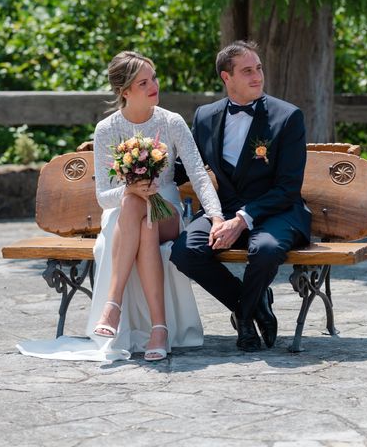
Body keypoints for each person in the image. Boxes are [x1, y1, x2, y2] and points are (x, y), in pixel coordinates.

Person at [17, 51, 223, 362]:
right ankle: (159, 327)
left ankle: (111, 305)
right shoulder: (107, 129)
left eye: (153, 78)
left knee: (140, 211)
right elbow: (103, 196)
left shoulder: (171, 122)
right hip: (127, 215)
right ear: (125, 91)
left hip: (165, 207)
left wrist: (216, 216)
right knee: (136, 213)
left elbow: (197, 172)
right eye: (144, 82)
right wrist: (130, 187)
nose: (153, 85)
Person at [170, 40, 311, 352]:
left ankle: (244, 318)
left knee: (265, 250)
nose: (257, 76)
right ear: (226, 77)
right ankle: (255, 303)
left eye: (258, 68)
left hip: (276, 211)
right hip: (223, 211)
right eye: (247, 71)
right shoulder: (205, 116)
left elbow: (288, 188)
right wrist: (145, 169)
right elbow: (188, 167)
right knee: (186, 250)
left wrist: (243, 220)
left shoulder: (287, 117)